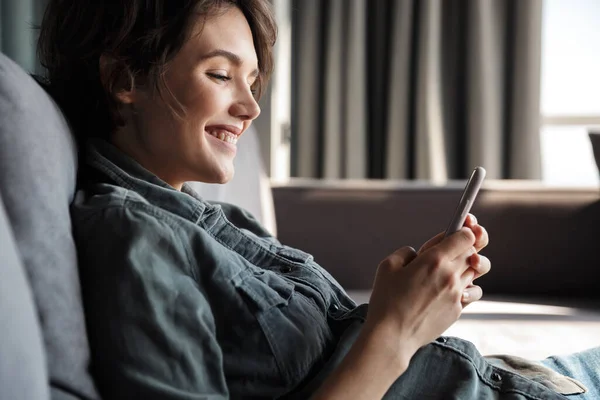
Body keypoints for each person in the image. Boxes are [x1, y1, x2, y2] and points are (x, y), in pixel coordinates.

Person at [36, 0, 599, 399]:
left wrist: (408, 299)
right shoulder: (135, 239)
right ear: (123, 79)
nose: (251, 109)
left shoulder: (215, 219)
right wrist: (397, 328)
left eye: (252, 83)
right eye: (220, 74)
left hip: (527, 378)